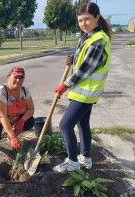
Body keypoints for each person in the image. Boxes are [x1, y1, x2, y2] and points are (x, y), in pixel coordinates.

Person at [53, 2, 112, 173]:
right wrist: (73, 59)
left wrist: (65, 84)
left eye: (87, 19)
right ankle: (86, 159)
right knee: (82, 124)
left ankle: (72, 162)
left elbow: (86, 68)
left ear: (97, 18)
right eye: (80, 20)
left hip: (85, 93)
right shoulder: (88, 36)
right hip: (84, 92)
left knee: (65, 126)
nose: (83, 23)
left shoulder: (99, 41)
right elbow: (82, 60)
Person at [0, 66, 35, 154]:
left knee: (29, 122)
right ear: (8, 77)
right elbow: (2, 116)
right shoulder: (1, 92)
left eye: (21, 78)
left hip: (12, 115)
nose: (18, 80)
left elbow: (31, 109)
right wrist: (13, 137)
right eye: (15, 77)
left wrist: (21, 121)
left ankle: (9, 133)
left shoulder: (24, 91)